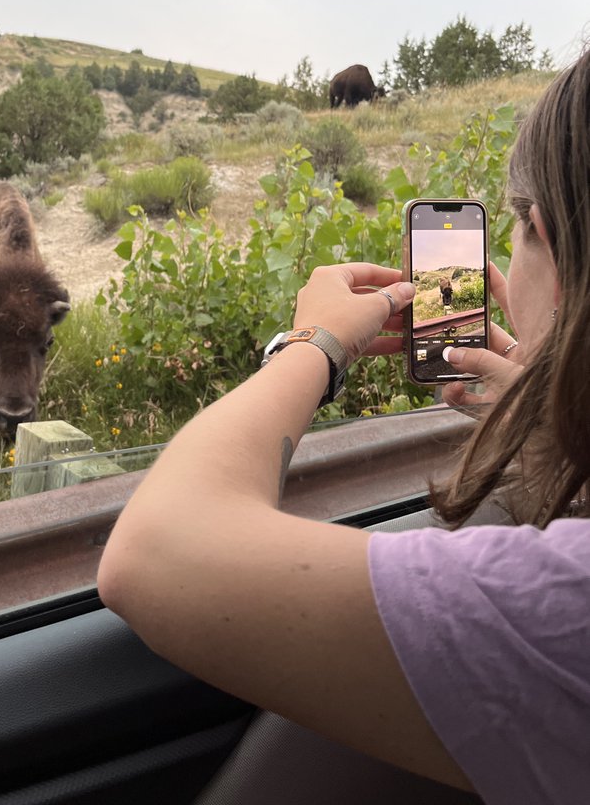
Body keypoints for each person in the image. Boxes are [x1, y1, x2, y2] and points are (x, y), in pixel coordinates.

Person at [97, 49, 590, 805]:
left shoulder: (565, 601)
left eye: (516, 235)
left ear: (545, 239)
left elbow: (151, 556)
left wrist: (311, 348)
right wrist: (556, 423)